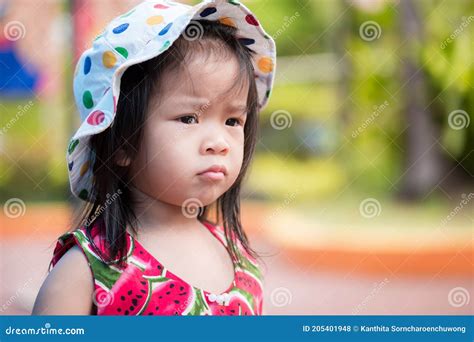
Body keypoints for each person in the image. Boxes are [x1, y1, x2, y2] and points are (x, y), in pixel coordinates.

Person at [32, 0, 276, 316]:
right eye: (189, 118)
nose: (219, 143)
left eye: (232, 121)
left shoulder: (242, 260)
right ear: (121, 143)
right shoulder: (87, 272)